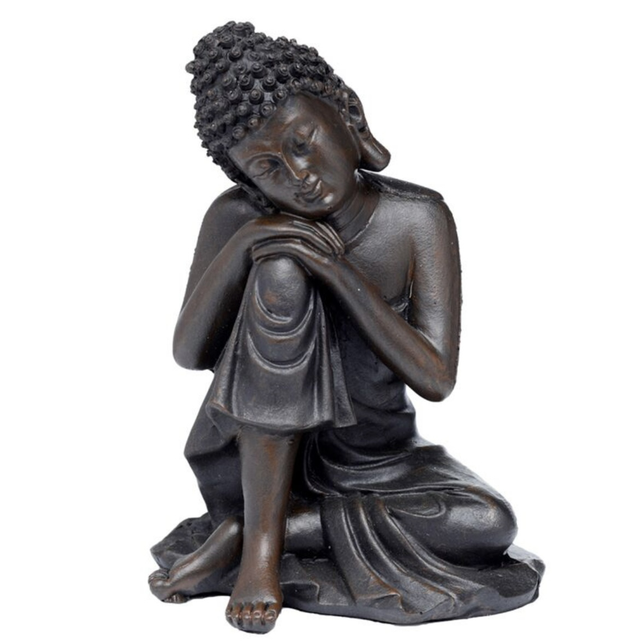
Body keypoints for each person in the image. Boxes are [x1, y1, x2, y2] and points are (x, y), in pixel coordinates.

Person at [149, 22, 543, 634]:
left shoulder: (416, 218)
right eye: (267, 168)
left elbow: (436, 378)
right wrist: (247, 244)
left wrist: (338, 272)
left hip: (383, 460)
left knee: (488, 522)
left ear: (348, 113)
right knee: (281, 269)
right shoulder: (239, 219)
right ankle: (260, 554)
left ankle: (253, 533)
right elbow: (189, 352)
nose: (298, 175)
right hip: (257, 459)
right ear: (246, 181)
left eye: (303, 142)